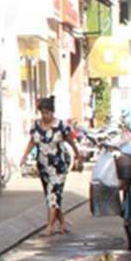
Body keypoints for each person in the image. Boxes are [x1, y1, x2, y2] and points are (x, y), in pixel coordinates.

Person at [20, 97, 81, 236]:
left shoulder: (61, 126)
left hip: (59, 166)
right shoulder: (36, 126)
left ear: (52, 112)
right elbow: (32, 141)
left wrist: (78, 155)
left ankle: (49, 227)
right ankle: (63, 224)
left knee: (53, 194)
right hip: (43, 166)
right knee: (51, 196)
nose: (45, 116)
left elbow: (71, 141)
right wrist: (24, 156)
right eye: (42, 113)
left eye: (47, 112)